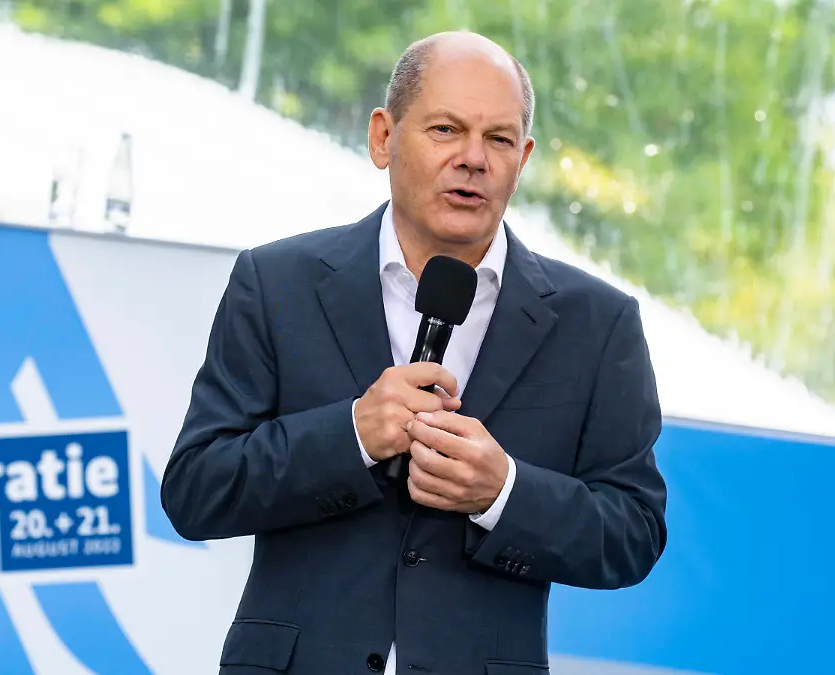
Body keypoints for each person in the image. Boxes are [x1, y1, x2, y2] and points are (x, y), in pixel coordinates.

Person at [161, 30, 668, 675]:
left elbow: (633, 533)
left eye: (499, 139)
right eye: (446, 129)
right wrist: (350, 436)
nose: (473, 159)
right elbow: (196, 489)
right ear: (383, 138)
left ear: (524, 158)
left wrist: (503, 492)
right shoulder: (276, 282)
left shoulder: (597, 323)